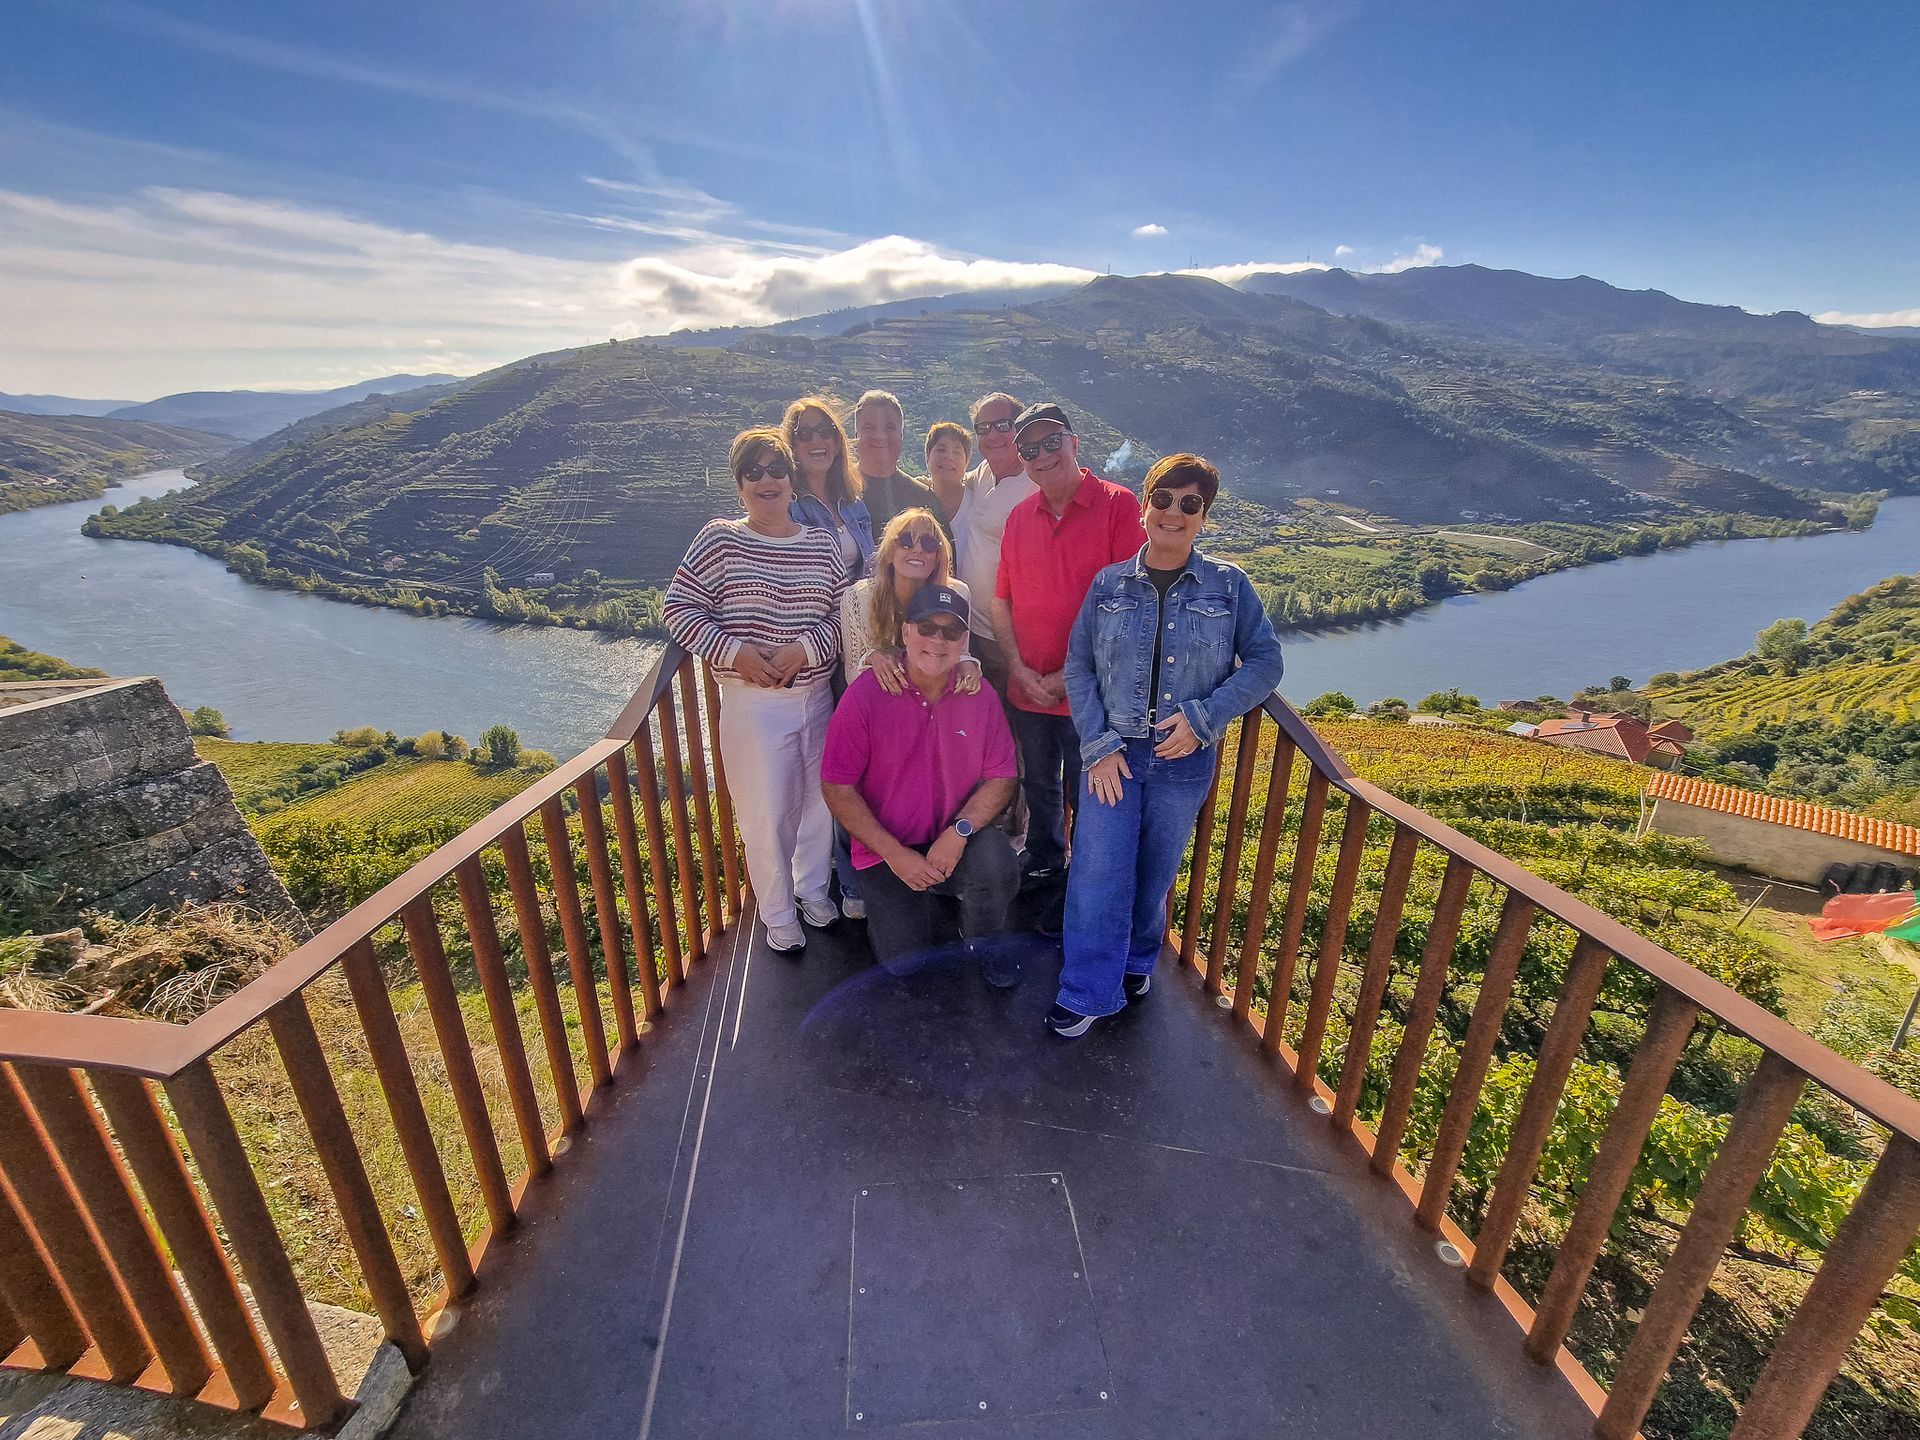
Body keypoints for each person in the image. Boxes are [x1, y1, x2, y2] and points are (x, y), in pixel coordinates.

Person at [1045, 454, 1286, 1038]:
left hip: (1184, 758)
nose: (1173, 513)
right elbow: (1078, 668)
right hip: (1114, 754)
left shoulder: (1230, 586)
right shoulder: (1109, 584)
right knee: (1099, 870)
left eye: (1189, 504)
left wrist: (1204, 717)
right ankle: (1084, 991)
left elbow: (1265, 662)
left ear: (1203, 515)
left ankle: (1133, 962)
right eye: (1163, 499)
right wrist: (1098, 744)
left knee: (1155, 873)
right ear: (1145, 506)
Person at [663, 427, 846, 956]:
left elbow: (841, 616)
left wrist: (806, 650)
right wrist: (735, 652)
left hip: (816, 696)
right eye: (754, 472)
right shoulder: (720, 538)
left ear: (792, 478)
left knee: (819, 805)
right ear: (739, 484)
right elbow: (678, 609)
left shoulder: (821, 544)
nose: (767, 480)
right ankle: (777, 911)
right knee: (765, 813)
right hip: (753, 704)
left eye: (776, 469)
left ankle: (812, 891)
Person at [822, 585, 1021, 984]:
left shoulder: (977, 693)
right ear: (905, 632)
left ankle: (982, 940)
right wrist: (895, 854)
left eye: (951, 632)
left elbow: (1003, 776)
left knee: (998, 866)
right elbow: (836, 787)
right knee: (906, 966)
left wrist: (960, 832)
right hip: (887, 847)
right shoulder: (865, 695)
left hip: (953, 836)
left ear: (964, 641)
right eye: (927, 627)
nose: (937, 640)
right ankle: (922, 894)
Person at [992, 402, 1147, 892]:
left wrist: (1069, 677)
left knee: (1090, 790)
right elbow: (1002, 602)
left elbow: (1131, 607)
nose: (1042, 455)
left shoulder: (1119, 506)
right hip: (1029, 690)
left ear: (1074, 442)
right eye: (1029, 449)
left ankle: (1092, 874)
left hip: (1091, 694)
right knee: (1038, 783)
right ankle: (1045, 860)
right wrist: (1017, 668)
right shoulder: (1019, 518)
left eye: (1051, 441)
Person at [839, 508, 981, 693]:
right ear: (890, 552)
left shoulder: (958, 594)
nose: (918, 549)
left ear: (938, 557)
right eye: (906, 541)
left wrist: (968, 664)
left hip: (934, 694)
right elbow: (851, 675)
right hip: (881, 697)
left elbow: (960, 652)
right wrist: (871, 657)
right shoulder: (858, 597)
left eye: (929, 544)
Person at [957, 392, 1036, 699]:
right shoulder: (984, 473)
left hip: (1012, 639)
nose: (992, 435)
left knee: (1015, 729)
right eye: (983, 428)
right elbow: (950, 484)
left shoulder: (1036, 482)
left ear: (1020, 429)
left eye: (1002, 425)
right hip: (972, 631)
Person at [783, 397, 875, 580]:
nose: (816, 440)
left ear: (836, 442)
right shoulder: (786, 507)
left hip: (858, 605)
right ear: (791, 447)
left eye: (825, 431)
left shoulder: (854, 504)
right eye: (804, 434)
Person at [853, 390, 942, 539]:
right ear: (856, 436)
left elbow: (945, 558)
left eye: (889, 427)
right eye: (869, 428)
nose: (880, 436)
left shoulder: (923, 500)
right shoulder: (835, 492)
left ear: (901, 436)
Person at [922, 421, 974, 565]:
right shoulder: (916, 501)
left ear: (967, 462)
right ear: (927, 457)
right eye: (940, 450)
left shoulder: (978, 503)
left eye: (957, 452)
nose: (948, 457)